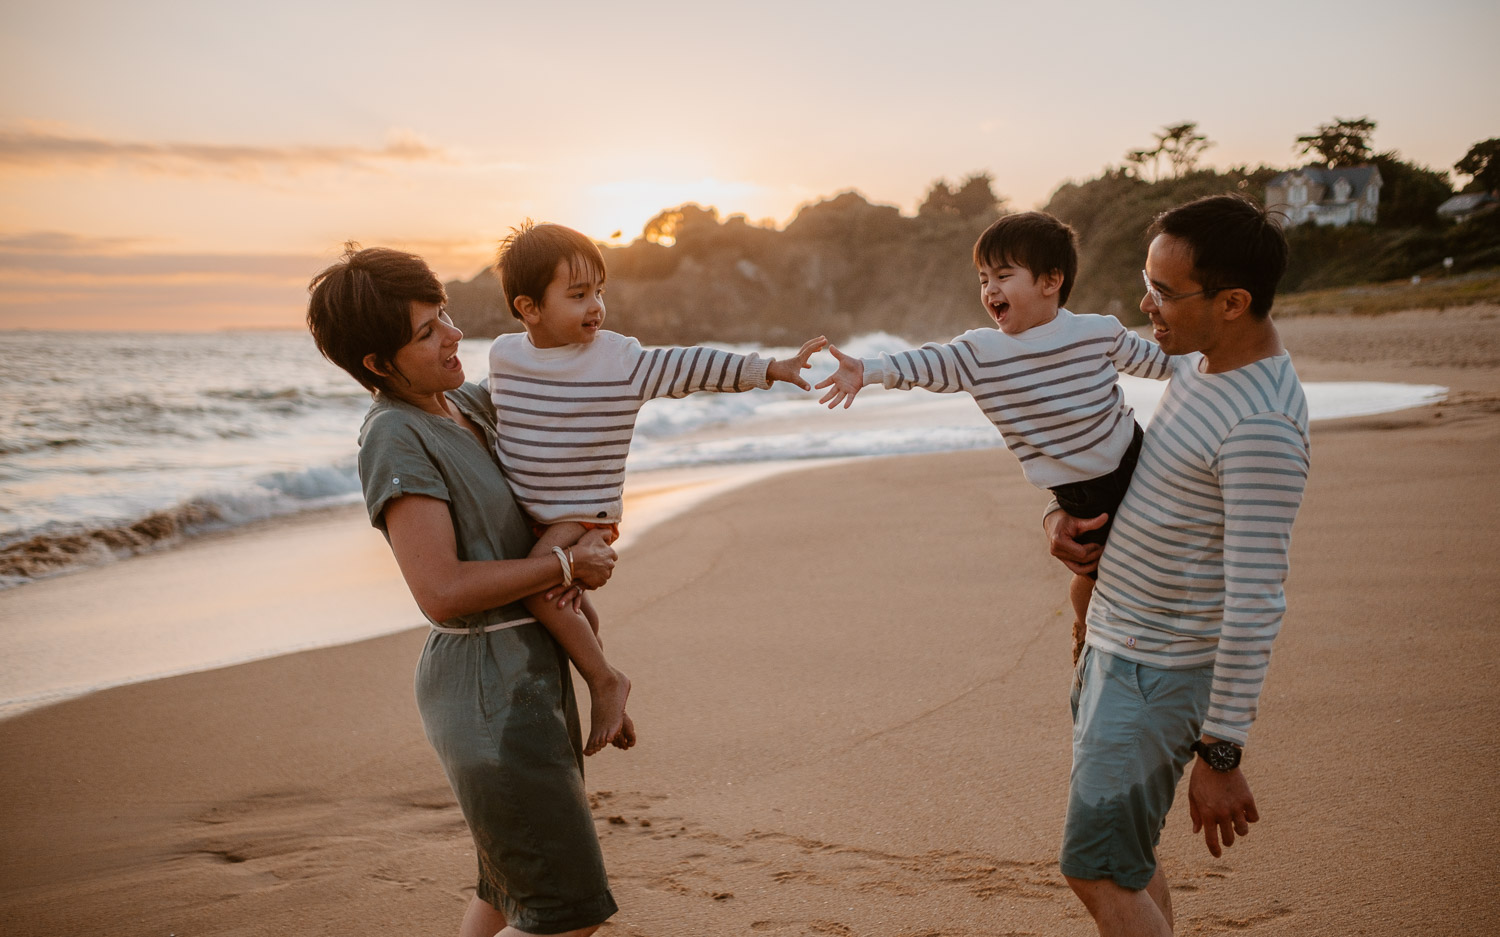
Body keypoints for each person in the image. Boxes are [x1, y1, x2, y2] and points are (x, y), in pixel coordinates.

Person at [307, 245, 620, 937]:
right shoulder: (395, 434)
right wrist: (569, 568)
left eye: (442, 313)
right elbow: (442, 590)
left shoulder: (466, 407)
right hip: (486, 690)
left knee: (509, 888)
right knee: (564, 914)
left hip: (526, 678)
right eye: (425, 332)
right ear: (377, 364)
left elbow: (567, 394)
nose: (452, 333)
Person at [1043, 194, 1310, 937]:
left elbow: (1258, 598)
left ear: (1232, 301)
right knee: (1123, 859)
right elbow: (1149, 488)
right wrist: (1059, 520)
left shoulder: (1260, 425)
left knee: (1094, 867)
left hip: (1156, 673)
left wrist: (1220, 752)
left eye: (1164, 290)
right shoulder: (1200, 363)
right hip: (1115, 646)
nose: (1144, 301)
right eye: (1146, 279)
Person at [487, 220, 827, 750]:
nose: (596, 306)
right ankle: (610, 697)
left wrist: (769, 368)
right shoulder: (504, 358)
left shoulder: (618, 359)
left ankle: (605, 681)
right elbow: (489, 410)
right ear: (529, 308)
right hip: (529, 514)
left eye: (599, 291)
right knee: (574, 609)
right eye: (578, 296)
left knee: (543, 593)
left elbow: (689, 365)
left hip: (580, 516)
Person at [814, 211, 1171, 660]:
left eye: (1003, 275)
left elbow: (1165, 363)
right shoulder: (982, 352)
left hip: (1136, 458)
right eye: (983, 279)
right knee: (1096, 571)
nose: (990, 290)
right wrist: (868, 369)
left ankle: (1159, 645)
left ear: (1051, 280)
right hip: (1080, 494)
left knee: (1159, 559)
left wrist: (1216, 355)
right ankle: (1085, 630)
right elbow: (926, 363)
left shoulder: (1097, 332)